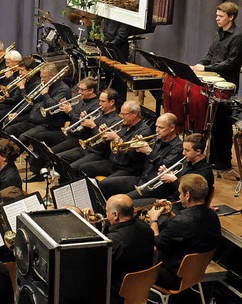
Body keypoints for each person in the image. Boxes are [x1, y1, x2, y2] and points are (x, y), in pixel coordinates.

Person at [148, 174, 221, 294]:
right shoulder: (213, 216)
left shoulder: (181, 222)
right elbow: (188, 230)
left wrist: (153, 219)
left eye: (180, 193)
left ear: (187, 195)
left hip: (173, 278)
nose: (179, 196)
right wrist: (171, 214)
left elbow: (158, 244)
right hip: (196, 273)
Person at [192, 1, 242, 171]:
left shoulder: (238, 37)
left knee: (222, 122)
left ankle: (222, 161)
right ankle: (211, 158)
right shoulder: (218, 34)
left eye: (220, 16)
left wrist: (206, 68)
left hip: (226, 84)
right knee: (211, 121)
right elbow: (210, 56)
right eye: (216, 15)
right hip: (212, 82)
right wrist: (197, 66)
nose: (216, 19)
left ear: (231, 17)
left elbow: (231, 63)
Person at [99, 113, 183, 198]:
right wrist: (136, 145)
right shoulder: (156, 140)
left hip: (155, 185)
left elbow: (165, 167)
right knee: (104, 184)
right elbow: (136, 159)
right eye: (156, 126)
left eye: (161, 127)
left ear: (172, 128)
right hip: (141, 178)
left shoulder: (178, 147)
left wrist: (149, 152)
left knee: (121, 200)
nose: (157, 130)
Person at [78, 100, 154, 178]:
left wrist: (117, 138)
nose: (121, 116)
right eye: (121, 113)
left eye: (124, 114)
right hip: (112, 163)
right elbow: (109, 147)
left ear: (134, 114)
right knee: (83, 168)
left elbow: (133, 156)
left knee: (105, 184)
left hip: (127, 169)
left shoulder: (144, 131)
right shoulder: (122, 125)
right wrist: (105, 135)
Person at [104, 194, 154, 304]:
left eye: (107, 212)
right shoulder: (146, 228)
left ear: (115, 215)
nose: (106, 216)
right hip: (141, 289)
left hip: (118, 295)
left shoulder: (113, 243)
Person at [57, 87, 121, 170]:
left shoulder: (115, 121)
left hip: (98, 154)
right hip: (86, 147)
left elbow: (103, 145)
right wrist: (83, 122)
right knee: (59, 158)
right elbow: (84, 134)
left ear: (112, 102)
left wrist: (93, 126)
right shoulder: (99, 113)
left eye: (103, 101)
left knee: (73, 168)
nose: (99, 104)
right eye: (99, 101)